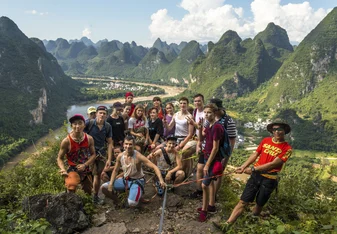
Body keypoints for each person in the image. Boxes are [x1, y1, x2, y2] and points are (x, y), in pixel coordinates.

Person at [214, 119, 292, 230]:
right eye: (274, 129)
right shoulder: (266, 141)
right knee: (243, 201)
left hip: (269, 179)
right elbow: (255, 154)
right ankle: (227, 224)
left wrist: (254, 169)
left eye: (280, 129)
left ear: (284, 131)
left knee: (259, 204)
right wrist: (243, 166)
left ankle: (251, 224)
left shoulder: (287, 148)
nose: (277, 132)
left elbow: (274, 164)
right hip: (256, 176)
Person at [189, 98, 237, 199]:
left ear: (216, 110)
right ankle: (200, 192)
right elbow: (203, 134)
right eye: (206, 111)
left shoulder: (228, 121)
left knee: (217, 174)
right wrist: (199, 143)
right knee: (200, 168)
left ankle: (213, 197)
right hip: (206, 150)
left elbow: (231, 141)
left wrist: (226, 158)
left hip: (218, 154)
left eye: (210, 110)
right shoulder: (208, 120)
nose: (207, 113)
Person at [101, 136, 166, 207]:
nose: (128, 146)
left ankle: (138, 195)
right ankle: (118, 201)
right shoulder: (120, 156)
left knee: (132, 203)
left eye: (130, 144)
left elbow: (154, 167)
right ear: (123, 145)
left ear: (134, 145)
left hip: (137, 180)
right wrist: (111, 183)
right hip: (125, 180)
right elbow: (115, 170)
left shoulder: (138, 156)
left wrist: (161, 181)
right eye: (126, 144)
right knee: (103, 188)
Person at [197, 104, 224, 222]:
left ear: (215, 114)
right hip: (207, 155)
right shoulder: (210, 125)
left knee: (204, 185)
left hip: (212, 159)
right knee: (211, 182)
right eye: (205, 112)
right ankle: (211, 205)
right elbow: (202, 138)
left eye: (209, 113)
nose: (207, 115)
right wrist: (199, 128)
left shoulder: (217, 127)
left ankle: (204, 210)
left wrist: (207, 164)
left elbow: (215, 148)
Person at [57, 114, 96, 194]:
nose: (77, 126)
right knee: (71, 186)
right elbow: (59, 158)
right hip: (72, 168)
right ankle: (70, 202)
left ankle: (87, 204)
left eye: (80, 123)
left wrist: (85, 165)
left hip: (85, 168)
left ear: (84, 125)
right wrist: (63, 169)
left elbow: (93, 154)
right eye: (75, 124)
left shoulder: (89, 139)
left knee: (88, 191)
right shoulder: (66, 141)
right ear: (71, 126)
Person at [84, 105, 114, 203]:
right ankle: (88, 195)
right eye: (100, 113)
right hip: (88, 153)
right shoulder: (89, 123)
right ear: (96, 114)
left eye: (104, 113)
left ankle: (95, 196)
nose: (102, 115)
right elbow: (79, 134)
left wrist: (109, 159)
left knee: (97, 174)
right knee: (89, 174)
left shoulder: (107, 126)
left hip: (101, 153)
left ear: (106, 115)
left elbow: (110, 143)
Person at [163, 97, 195, 177]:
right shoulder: (176, 115)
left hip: (185, 139)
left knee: (183, 157)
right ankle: (176, 173)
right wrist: (165, 123)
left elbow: (190, 134)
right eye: (181, 103)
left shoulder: (189, 116)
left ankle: (185, 174)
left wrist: (181, 145)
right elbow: (169, 127)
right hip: (176, 138)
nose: (182, 105)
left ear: (187, 104)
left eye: (184, 103)